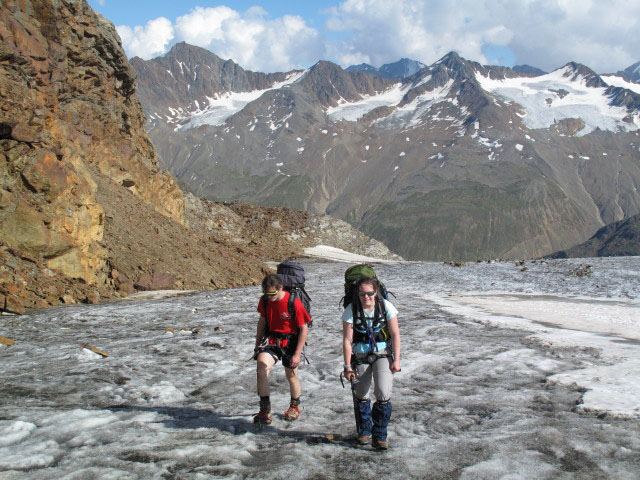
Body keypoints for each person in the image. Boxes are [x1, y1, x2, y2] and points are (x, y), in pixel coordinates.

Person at [342, 277, 401, 450]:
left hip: (383, 354)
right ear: (357, 294)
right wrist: (347, 366)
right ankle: (364, 431)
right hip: (360, 354)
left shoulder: (386, 307)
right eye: (362, 293)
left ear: (376, 292)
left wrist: (396, 360)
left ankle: (380, 435)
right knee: (361, 393)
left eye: (369, 293)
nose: (366, 297)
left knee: (383, 392)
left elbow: (395, 334)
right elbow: (347, 340)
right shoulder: (351, 310)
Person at [253, 273, 310, 424]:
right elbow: (262, 321)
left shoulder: (293, 302)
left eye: (272, 293)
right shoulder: (265, 300)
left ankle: (294, 406)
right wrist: (257, 344)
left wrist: (297, 354)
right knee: (261, 368)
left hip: (290, 341)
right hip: (271, 339)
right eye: (266, 293)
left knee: (291, 375)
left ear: (280, 288)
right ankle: (265, 410)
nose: (269, 296)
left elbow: (304, 328)